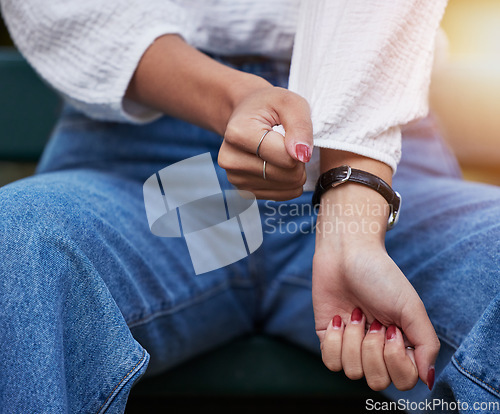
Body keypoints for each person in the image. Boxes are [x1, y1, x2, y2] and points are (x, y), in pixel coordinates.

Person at [0, 0, 499, 412]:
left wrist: (353, 215)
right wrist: (238, 99)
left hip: (377, 160)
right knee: (18, 245)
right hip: (155, 174)